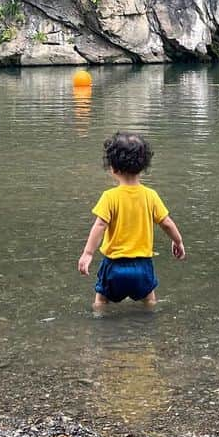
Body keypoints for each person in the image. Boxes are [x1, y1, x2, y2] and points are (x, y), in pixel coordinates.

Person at [77, 132, 185, 311]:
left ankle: (99, 323)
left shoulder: (109, 197)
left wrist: (88, 253)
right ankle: (150, 325)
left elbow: (100, 225)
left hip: (114, 266)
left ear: (113, 168)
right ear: (143, 166)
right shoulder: (151, 196)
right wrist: (178, 241)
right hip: (142, 266)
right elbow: (166, 222)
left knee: (101, 300)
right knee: (149, 299)